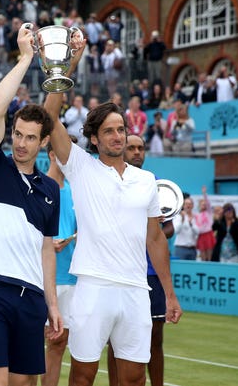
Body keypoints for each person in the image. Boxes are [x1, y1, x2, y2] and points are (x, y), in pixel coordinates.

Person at [45, 32, 182, 386]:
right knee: (83, 376)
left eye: (121, 129)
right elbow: (48, 117)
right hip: (93, 286)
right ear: (94, 138)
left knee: (134, 378)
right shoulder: (80, 166)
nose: (118, 136)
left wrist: (168, 292)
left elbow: (155, 239)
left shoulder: (147, 179)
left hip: (137, 289)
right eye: (109, 131)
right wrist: (69, 64)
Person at [0, 24, 62, 386]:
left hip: (32, 298)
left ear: (42, 143)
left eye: (30, 138)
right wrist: (26, 58)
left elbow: (46, 251)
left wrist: (53, 305)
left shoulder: (50, 189)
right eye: (17, 135)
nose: (21, 143)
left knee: (24, 384)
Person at [106, 134, 175, 386]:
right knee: (116, 340)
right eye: (131, 147)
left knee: (155, 338)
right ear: (122, 150)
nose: (136, 152)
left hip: (151, 273)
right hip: (120, 273)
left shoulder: (153, 184)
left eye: (141, 148)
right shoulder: (110, 181)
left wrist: (149, 232)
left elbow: (168, 229)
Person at [40, 137, 79, 386]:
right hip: (44, 278)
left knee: (60, 344)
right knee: (39, 345)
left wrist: (75, 237)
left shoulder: (78, 188)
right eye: (65, 152)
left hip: (75, 278)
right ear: (53, 154)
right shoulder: (39, 185)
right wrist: (45, 243)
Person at [195, 186, 215, 261]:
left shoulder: (209, 212)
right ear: (199, 205)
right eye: (202, 204)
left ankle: (210, 267)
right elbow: (197, 226)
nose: (204, 205)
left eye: (205, 204)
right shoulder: (197, 215)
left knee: (209, 256)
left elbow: (208, 202)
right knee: (203, 256)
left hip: (208, 234)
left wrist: (204, 193)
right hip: (201, 236)